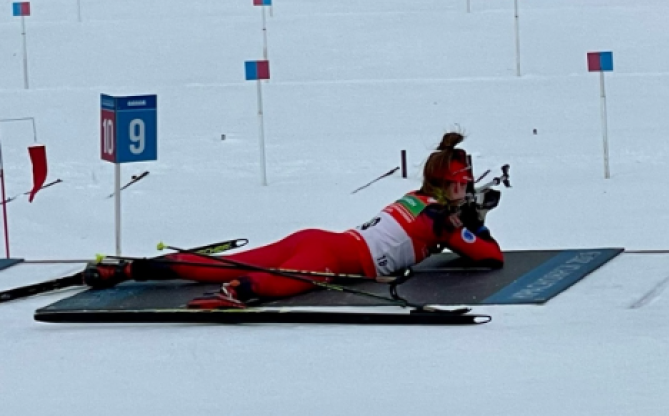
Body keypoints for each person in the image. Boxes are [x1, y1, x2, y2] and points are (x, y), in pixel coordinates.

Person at [83, 132, 505, 309]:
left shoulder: (416, 199)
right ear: (448, 184)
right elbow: (490, 257)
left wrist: (466, 213)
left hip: (318, 238)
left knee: (226, 260)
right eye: (462, 183)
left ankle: (127, 269)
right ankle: (237, 292)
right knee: (275, 282)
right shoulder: (442, 222)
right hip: (335, 258)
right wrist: (477, 220)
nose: (465, 189)